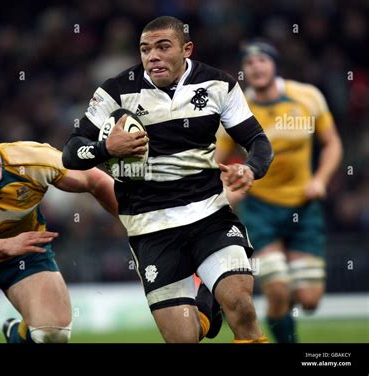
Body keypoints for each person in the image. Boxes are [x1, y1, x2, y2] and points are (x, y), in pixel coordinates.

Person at [62, 16, 273, 343]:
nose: (153, 56)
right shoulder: (117, 91)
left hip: (209, 214)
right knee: (184, 339)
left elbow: (258, 141)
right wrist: (106, 148)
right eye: (145, 50)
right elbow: (71, 153)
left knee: (241, 305)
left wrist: (250, 168)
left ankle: (214, 298)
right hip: (150, 226)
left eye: (163, 47)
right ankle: (206, 309)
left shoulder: (218, 85)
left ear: (186, 49)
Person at [0, 113, 117, 343]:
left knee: (53, 335)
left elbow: (95, 180)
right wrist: (6, 246)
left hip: (27, 253)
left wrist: (134, 222)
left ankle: (18, 337)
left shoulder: (30, 158)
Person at [216, 41, 343, 342]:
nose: (256, 66)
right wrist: (229, 186)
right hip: (260, 206)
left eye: (262, 60)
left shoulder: (307, 97)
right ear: (243, 72)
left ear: (275, 65)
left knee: (309, 299)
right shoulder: (236, 107)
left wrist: (321, 180)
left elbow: (333, 143)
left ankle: (283, 312)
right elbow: (215, 160)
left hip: (304, 204)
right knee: (277, 288)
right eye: (249, 63)